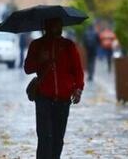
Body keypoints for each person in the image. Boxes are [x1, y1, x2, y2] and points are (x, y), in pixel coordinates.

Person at [24, 18, 84, 159]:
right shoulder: (37, 45)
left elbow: (78, 70)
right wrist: (41, 60)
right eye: (54, 25)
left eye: (59, 24)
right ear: (47, 26)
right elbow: (27, 68)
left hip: (63, 99)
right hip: (43, 98)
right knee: (45, 138)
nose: (58, 27)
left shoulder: (68, 46)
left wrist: (78, 89)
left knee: (58, 139)